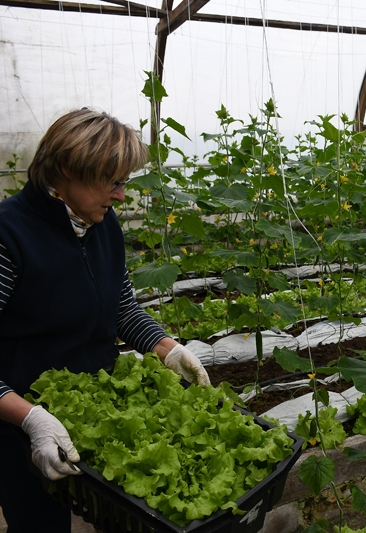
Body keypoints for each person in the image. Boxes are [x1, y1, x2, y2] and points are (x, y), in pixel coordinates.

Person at [0, 108, 210, 532]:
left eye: (124, 182)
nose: (121, 196)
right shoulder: (9, 234)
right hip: (22, 420)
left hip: (96, 410)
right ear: (66, 171)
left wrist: (168, 348)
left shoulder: (102, 224)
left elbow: (121, 307)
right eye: (112, 182)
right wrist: (29, 417)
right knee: (39, 523)